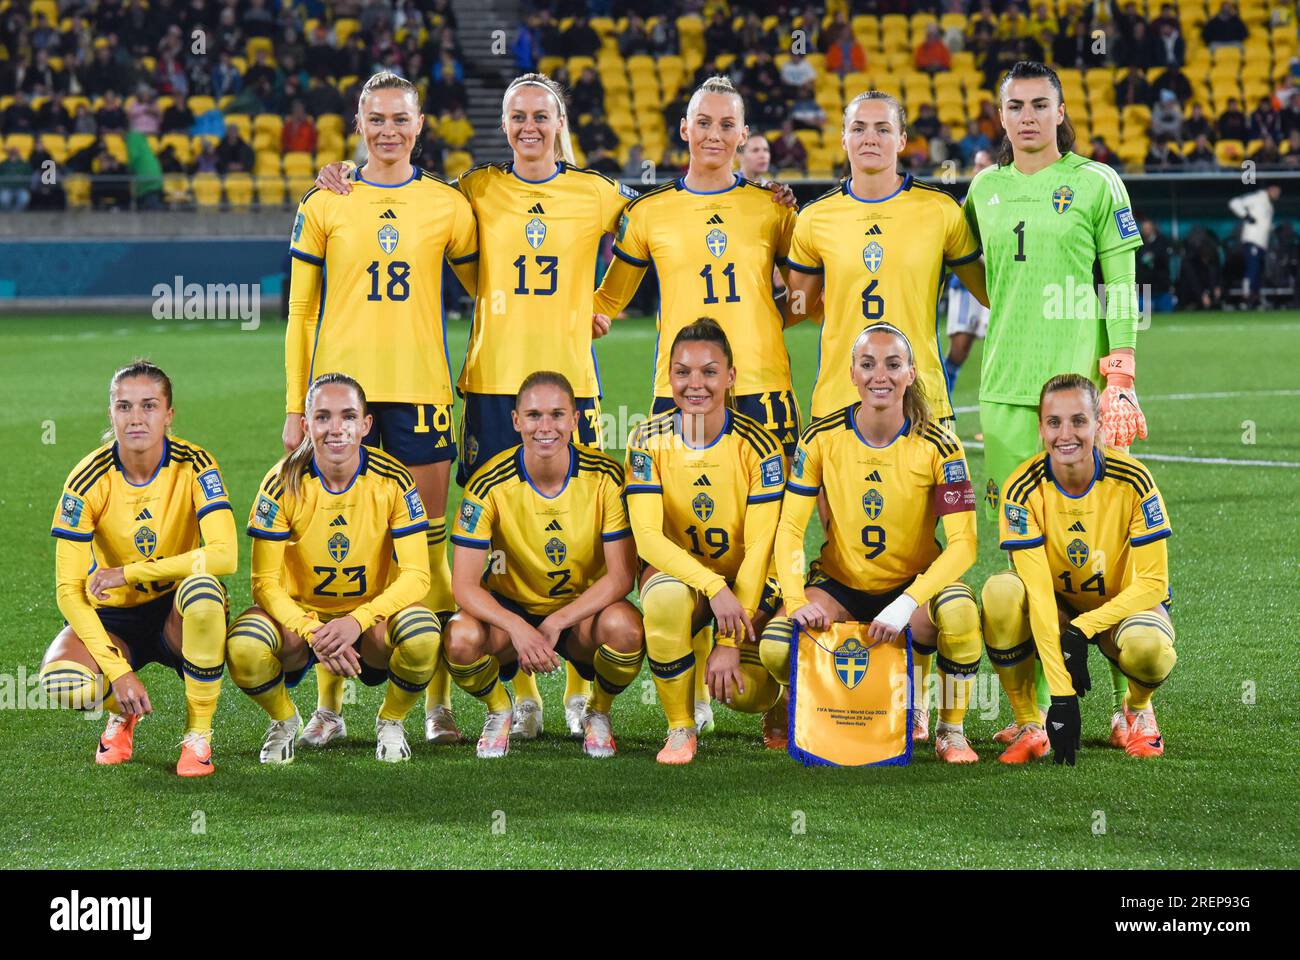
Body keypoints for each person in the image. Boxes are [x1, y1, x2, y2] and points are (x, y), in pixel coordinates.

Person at [314, 71, 636, 741]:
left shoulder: (596, 192)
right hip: (492, 385)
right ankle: (516, 691)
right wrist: (338, 175)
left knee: (576, 536)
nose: (528, 126)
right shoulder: (475, 190)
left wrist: (605, 304)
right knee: (489, 544)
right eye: (517, 115)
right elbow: (446, 248)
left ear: (559, 122)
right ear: (504, 124)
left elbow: (659, 222)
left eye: (540, 115)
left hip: (573, 387)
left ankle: (579, 690)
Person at [285, 71, 477, 749]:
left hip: (421, 393)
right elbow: (301, 312)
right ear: (358, 122)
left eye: (400, 118)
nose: (388, 129)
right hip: (339, 398)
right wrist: (294, 406)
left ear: (420, 125)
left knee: (425, 549)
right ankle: (330, 707)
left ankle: (435, 706)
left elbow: (493, 286)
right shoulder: (326, 200)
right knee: (334, 546)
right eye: (376, 118)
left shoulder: (447, 205)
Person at [963, 60, 1147, 720]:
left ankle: (1137, 704)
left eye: (1041, 105)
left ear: (1061, 112)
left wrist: (1119, 379)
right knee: (1022, 563)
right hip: (1006, 394)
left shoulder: (1096, 183)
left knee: (1112, 546)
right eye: (1016, 106)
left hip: (1078, 397)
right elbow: (953, 261)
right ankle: (1034, 713)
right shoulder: (983, 189)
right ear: (1001, 115)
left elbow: (1121, 285)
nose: (1029, 116)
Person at [761, 324, 981, 761]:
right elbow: (789, 528)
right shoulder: (821, 438)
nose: (880, 375)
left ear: (912, 374)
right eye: (868, 364)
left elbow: (964, 545)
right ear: (853, 374)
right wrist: (793, 597)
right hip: (840, 585)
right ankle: (797, 706)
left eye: (893, 364)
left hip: (911, 589)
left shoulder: (942, 446)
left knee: (958, 613)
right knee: (775, 643)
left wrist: (906, 603)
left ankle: (949, 730)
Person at [228, 373, 441, 765]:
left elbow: (417, 575)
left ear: (366, 425)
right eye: (323, 418)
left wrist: (356, 621)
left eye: (347, 417)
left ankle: (391, 720)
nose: (336, 429)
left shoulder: (392, 478)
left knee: (423, 634)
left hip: (370, 624)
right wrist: (311, 629)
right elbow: (264, 584)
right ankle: (284, 719)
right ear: (306, 426)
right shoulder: (282, 482)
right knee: (244, 645)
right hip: (301, 624)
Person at [39, 361, 236, 777]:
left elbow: (224, 555)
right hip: (115, 618)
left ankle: (198, 736)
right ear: (110, 413)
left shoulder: (195, 464)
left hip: (175, 610)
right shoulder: (87, 478)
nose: (136, 418)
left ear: (169, 414)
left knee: (203, 592)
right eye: (124, 406)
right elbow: (67, 591)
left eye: (149, 406)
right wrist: (119, 673)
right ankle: (120, 712)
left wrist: (129, 573)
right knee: (62, 681)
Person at [446, 372, 644, 758]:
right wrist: (518, 627)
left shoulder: (605, 476)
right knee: (459, 638)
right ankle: (500, 709)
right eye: (534, 415)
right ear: (517, 421)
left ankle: (597, 712)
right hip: (511, 611)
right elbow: (464, 586)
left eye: (557, 415)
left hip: (582, 613)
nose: (546, 427)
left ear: (575, 420)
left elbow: (621, 576)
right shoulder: (488, 484)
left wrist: (556, 622)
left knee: (626, 629)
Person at [983, 374, 1176, 765]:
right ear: (1040, 427)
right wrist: (1062, 697)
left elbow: (1154, 583)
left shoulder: (1134, 480)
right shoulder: (1021, 488)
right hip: (1056, 607)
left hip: (1121, 608)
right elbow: (1036, 593)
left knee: (1149, 649)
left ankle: (1135, 711)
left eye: (1078, 421)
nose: (1065, 434)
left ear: (1099, 425)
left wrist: (1083, 628)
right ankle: (1030, 723)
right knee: (1000, 594)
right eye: (1054, 422)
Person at [625, 320, 787, 765]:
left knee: (746, 694)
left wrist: (730, 642)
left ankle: (778, 702)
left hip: (747, 579)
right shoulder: (645, 439)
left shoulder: (761, 447)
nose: (695, 384)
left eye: (709, 372)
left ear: (731, 377)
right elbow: (647, 537)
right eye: (682, 372)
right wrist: (712, 588)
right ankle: (681, 727)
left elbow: (759, 549)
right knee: (662, 603)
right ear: (668, 377)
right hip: (688, 577)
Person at [785, 91, 987, 429]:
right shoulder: (816, 216)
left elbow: (989, 293)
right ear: (843, 138)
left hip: (922, 399)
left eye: (883, 129)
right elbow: (796, 305)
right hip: (839, 399)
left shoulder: (940, 210)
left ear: (902, 139)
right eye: (859, 128)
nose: (870, 139)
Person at [943, 148, 994, 390]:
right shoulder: (964, 204)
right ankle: (941, 404)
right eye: (975, 165)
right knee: (959, 350)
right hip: (965, 285)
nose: (977, 171)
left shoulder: (1006, 201)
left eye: (983, 165)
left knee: (998, 347)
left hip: (997, 284)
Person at [1229, 182, 1281, 307]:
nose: (1277, 194)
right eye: (1276, 191)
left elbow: (1263, 223)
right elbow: (1234, 203)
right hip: (1251, 241)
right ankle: (1246, 297)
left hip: (1261, 244)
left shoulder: (1269, 205)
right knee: (1252, 269)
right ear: (1269, 188)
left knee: (1258, 272)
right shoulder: (1257, 198)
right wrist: (1246, 216)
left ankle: (1254, 298)